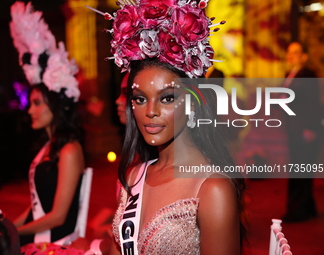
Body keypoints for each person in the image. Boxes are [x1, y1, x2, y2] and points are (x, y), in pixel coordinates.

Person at [89, 1, 246, 254]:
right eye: (140, 98)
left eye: (167, 98)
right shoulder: (133, 176)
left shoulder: (213, 189)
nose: (150, 111)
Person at [10, 2, 85, 245]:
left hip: (58, 244)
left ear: (55, 105)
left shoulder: (70, 150)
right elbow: (36, 209)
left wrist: (13, 233)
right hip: (42, 240)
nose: (29, 109)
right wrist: (6, 225)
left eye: (37, 103)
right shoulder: (48, 147)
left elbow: (58, 216)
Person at [281, 42, 321, 222]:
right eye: (289, 52)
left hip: (305, 129)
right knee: (300, 167)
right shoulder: (289, 74)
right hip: (293, 128)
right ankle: (308, 206)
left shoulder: (308, 75)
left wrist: (311, 129)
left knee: (301, 169)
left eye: (295, 52)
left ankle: (297, 211)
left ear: (304, 56)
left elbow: (314, 104)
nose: (291, 55)